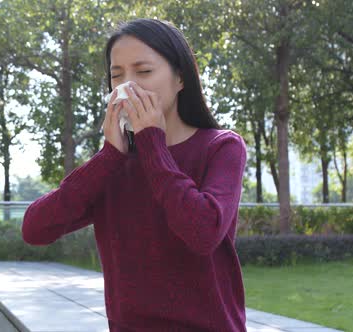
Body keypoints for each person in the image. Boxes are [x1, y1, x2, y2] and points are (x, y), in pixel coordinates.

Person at [22, 18, 247, 332]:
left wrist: (152, 144)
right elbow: (35, 229)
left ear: (180, 78)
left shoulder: (221, 147)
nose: (128, 86)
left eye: (143, 72)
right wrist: (108, 157)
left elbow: (203, 232)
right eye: (117, 75)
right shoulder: (114, 164)